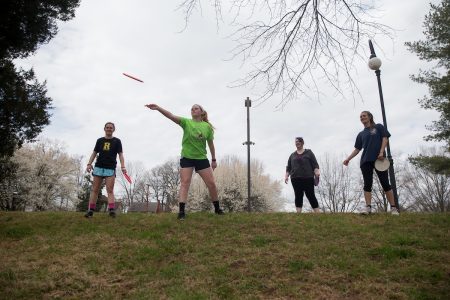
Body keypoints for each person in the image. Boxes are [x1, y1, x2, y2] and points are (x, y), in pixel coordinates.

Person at [145, 103, 224, 220]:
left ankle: (217, 209)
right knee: (185, 183)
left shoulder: (207, 127)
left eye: (196, 108)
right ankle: (181, 212)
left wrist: (213, 159)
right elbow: (170, 115)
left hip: (201, 158)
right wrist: (158, 108)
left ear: (202, 112)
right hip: (187, 157)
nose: (193, 110)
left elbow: (211, 145)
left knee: (211, 184)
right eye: (191, 109)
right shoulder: (186, 122)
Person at [343, 111, 399, 215]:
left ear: (369, 117)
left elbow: (385, 138)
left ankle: (393, 208)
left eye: (364, 116)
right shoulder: (361, 134)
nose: (362, 117)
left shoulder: (378, 127)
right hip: (365, 161)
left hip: (379, 159)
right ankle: (368, 208)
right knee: (367, 184)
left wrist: (382, 151)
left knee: (385, 183)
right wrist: (348, 159)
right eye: (360, 117)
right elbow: (357, 149)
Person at [84, 122, 126, 218]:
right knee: (95, 189)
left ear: (113, 129)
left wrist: (123, 166)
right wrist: (89, 164)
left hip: (110, 168)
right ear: (104, 129)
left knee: (109, 190)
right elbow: (94, 153)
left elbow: (120, 155)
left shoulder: (117, 141)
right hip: (98, 167)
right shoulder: (99, 141)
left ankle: (111, 210)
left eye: (111, 128)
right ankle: (90, 210)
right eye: (107, 127)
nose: (109, 129)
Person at [285, 137, 321, 213]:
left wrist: (317, 171)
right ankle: (298, 214)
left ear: (302, 142)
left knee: (311, 195)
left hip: (308, 178)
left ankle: (317, 213)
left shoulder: (309, 152)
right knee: (298, 196)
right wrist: (286, 176)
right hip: (295, 178)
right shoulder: (292, 155)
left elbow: (315, 164)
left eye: (298, 141)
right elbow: (288, 167)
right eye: (296, 142)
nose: (297, 143)